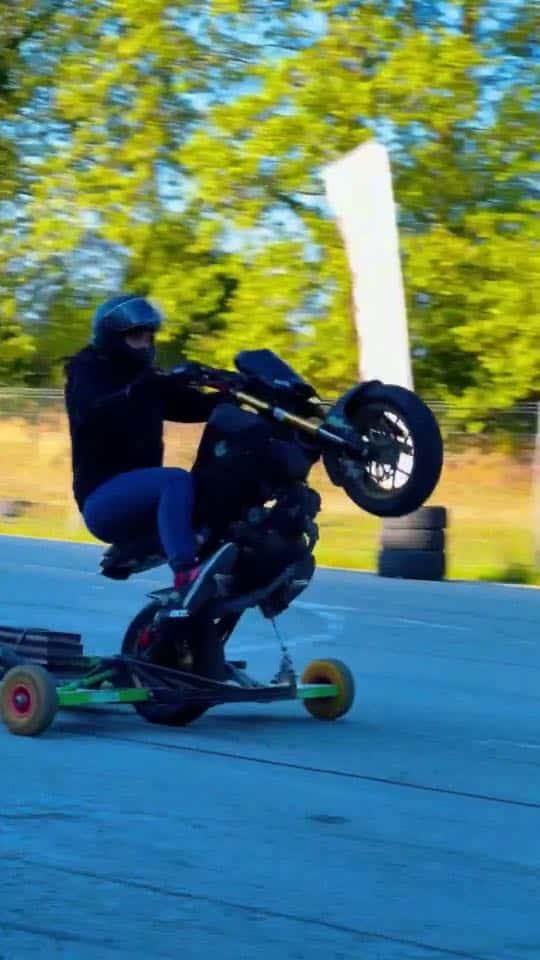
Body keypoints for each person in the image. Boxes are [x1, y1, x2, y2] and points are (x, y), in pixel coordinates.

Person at [64, 294, 237, 615]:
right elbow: (94, 411)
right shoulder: (87, 369)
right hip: (102, 501)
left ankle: (220, 566)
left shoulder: (147, 381)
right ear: (113, 337)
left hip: (142, 504)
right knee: (175, 480)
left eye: (148, 337)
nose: (144, 344)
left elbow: (194, 406)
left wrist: (233, 393)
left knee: (214, 488)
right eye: (136, 337)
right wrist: (150, 383)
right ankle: (185, 572)